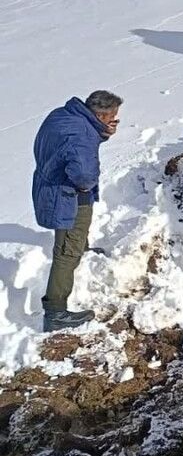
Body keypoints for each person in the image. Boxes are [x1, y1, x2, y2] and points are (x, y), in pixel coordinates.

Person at [32, 91, 122, 332]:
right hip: (68, 196)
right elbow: (84, 174)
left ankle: (81, 247)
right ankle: (55, 312)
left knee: (75, 236)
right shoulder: (82, 136)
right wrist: (85, 185)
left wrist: (102, 132)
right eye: (113, 118)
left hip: (48, 182)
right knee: (65, 252)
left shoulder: (64, 116)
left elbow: (66, 145)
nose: (115, 121)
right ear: (101, 115)